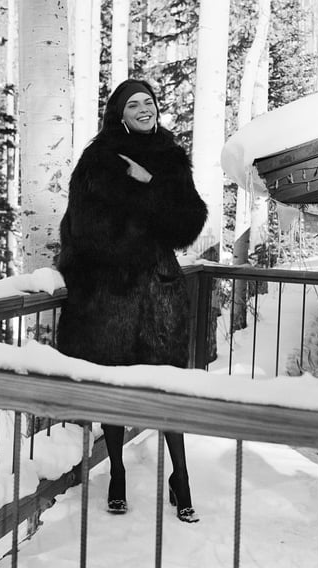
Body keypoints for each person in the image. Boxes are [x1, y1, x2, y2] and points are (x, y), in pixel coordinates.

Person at [56, 78, 208, 522]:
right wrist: (116, 255)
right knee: (115, 382)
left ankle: (181, 477)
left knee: (167, 385)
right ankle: (118, 473)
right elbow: (81, 226)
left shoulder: (170, 157)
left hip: (160, 292)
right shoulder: (99, 159)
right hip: (112, 292)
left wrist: (149, 185)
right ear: (119, 114)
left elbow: (188, 223)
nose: (145, 109)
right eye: (133, 104)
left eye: (149, 102)